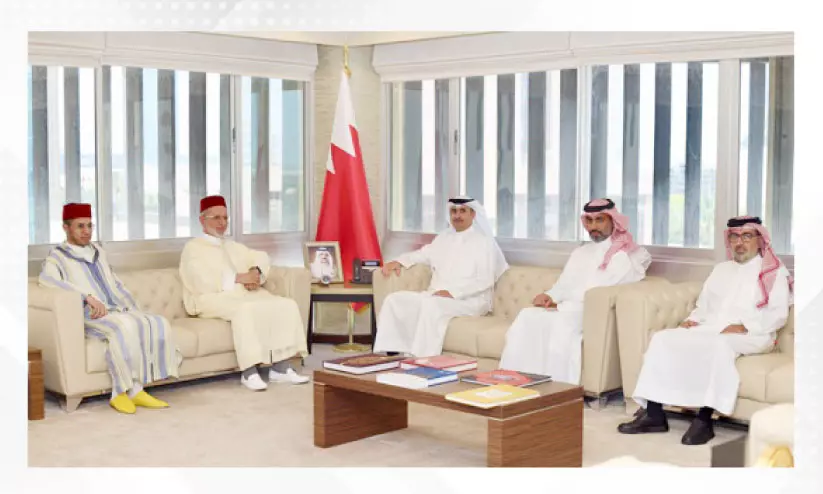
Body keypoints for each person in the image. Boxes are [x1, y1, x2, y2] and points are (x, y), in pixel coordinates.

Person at [617, 216, 793, 445]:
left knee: (718, 345)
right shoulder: (721, 269)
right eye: (735, 237)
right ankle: (654, 414)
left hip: (755, 334)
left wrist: (746, 326)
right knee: (663, 339)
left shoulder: (773, 272)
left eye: (747, 236)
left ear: (760, 240)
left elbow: (778, 314)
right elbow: (704, 305)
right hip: (712, 328)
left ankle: (704, 420)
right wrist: (692, 320)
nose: (740, 242)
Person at [38, 203, 180, 414]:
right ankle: (119, 393)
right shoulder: (57, 257)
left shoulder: (98, 252)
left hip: (113, 309)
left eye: (89, 226)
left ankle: (137, 390)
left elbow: (113, 281)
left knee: (154, 321)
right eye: (80, 226)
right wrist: (87, 298)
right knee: (123, 328)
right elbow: (48, 281)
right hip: (88, 314)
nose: (86, 231)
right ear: (66, 228)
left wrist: (131, 307)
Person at [499, 198, 651, 384]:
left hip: (589, 311)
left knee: (559, 324)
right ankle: (517, 379)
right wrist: (550, 295)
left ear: (613, 221)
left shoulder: (623, 255)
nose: (593, 226)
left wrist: (561, 304)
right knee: (527, 316)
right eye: (589, 221)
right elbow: (564, 283)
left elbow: (597, 290)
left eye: (600, 220)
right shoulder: (581, 252)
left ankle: (558, 386)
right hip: (568, 306)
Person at [179, 195, 309, 392]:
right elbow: (201, 280)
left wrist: (255, 272)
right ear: (202, 220)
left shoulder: (231, 245)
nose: (222, 223)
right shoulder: (193, 248)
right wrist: (240, 278)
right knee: (245, 310)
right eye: (216, 218)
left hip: (239, 294)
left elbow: (260, 256)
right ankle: (249, 372)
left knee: (285, 304)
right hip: (207, 298)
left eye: (225, 218)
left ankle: (280, 368)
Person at [372, 197, 509, 357]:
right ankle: (391, 354)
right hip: (437, 296)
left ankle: (422, 358)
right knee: (395, 300)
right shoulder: (444, 238)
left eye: (462, 211)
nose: (457, 215)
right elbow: (422, 254)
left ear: (473, 214)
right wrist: (399, 261)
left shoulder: (484, 242)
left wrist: (453, 293)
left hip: (470, 301)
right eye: (454, 211)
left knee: (432, 306)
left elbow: (485, 280)